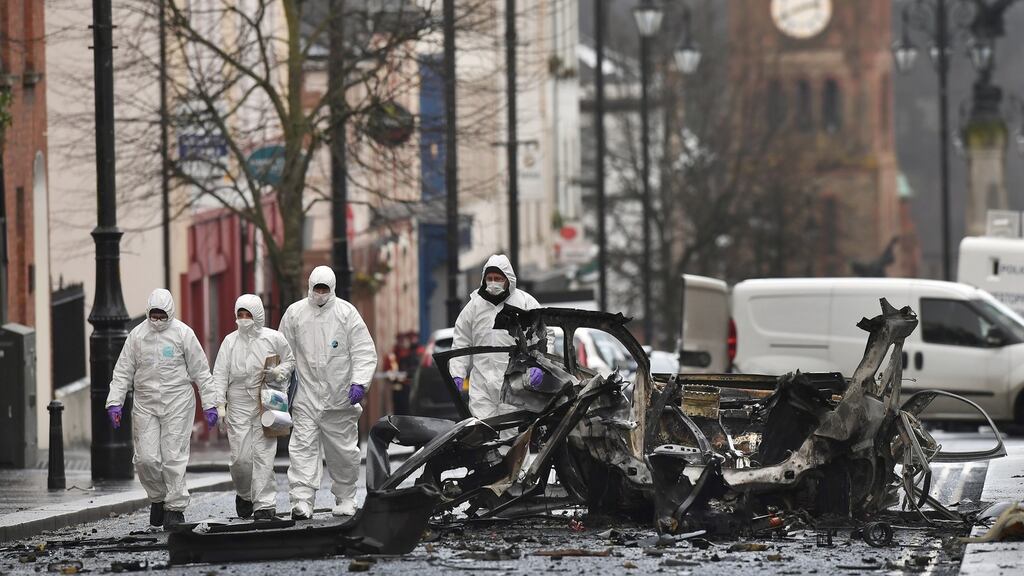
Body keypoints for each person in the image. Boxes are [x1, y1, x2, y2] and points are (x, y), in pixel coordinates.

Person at [105, 288, 218, 529]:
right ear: (148, 312)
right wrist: (115, 401)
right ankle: (158, 498)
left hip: (178, 402)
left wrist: (210, 403)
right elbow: (123, 370)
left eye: (161, 315)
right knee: (146, 459)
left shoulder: (183, 334)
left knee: (173, 457)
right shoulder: (137, 336)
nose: (157, 320)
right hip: (146, 403)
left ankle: (174, 508)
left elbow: (201, 371)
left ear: (170, 313)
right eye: (153, 315)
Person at [279, 266, 378, 520]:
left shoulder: (346, 314)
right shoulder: (295, 314)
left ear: (332, 288)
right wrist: (280, 389)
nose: (320, 294)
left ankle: (345, 496)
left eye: (324, 289)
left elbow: (363, 351)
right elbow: (283, 353)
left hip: (340, 397)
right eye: (316, 289)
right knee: (302, 448)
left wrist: (359, 382)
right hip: (305, 396)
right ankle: (301, 500)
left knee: (343, 452)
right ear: (310, 287)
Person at [212, 294, 295, 521]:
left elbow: (290, 360)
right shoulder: (230, 342)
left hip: (267, 399)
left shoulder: (274, 338)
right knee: (240, 459)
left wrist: (280, 372)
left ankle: (264, 505)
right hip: (238, 403)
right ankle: (244, 494)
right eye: (240, 315)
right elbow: (219, 374)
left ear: (258, 315)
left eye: (248, 314)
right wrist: (220, 405)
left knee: (263, 455)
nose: (244, 319)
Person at [450, 254, 544, 419]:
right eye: (490, 278)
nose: (493, 282)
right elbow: (461, 341)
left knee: (512, 433)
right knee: (484, 433)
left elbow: (542, 338)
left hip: (516, 382)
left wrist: (539, 364)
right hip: (482, 385)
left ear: (508, 279)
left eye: (498, 278)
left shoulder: (525, 304)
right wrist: (458, 373)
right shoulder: (474, 306)